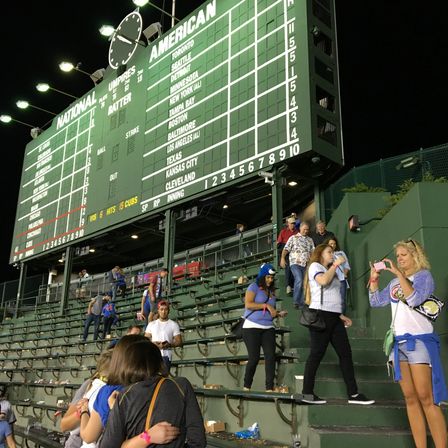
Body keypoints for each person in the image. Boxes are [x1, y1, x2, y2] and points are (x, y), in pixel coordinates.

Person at [368, 239, 447, 446]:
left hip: (419, 342)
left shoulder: (424, 277)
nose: (399, 259)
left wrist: (399, 274)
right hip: (399, 344)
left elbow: (414, 300)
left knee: (426, 398)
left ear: (415, 255)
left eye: (403, 255)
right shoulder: (395, 282)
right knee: (410, 398)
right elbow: (376, 302)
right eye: (398, 256)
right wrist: (374, 280)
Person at [98, 335, 206, 448]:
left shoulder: (124, 396)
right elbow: (198, 441)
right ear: (159, 361)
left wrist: (114, 410)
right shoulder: (181, 385)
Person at [302, 244, 374, 405]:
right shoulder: (315, 266)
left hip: (333, 316)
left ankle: (353, 394)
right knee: (316, 354)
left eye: (333, 252)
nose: (332, 255)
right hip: (321, 316)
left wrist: (340, 315)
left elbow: (331, 295)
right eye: (329, 252)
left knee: (345, 354)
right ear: (320, 253)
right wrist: (335, 265)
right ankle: (307, 393)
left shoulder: (332, 269)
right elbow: (323, 281)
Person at [242, 263, 287, 392]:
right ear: (262, 276)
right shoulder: (253, 287)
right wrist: (266, 306)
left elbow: (270, 310)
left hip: (268, 327)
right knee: (254, 358)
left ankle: (269, 387)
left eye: (272, 278)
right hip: (251, 327)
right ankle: (247, 386)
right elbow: (248, 304)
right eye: (267, 277)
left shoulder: (271, 291)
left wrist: (278, 313)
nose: (270, 280)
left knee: (270, 356)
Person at [61, 350, 113, 448]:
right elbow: (64, 425)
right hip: (77, 441)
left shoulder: (118, 389)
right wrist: (82, 411)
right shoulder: (90, 384)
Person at [280, 222, 314, 309]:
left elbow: (312, 252)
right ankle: (296, 301)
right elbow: (286, 249)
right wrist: (282, 258)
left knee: (305, 283)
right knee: (299, 279)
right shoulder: (293, 238)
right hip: (295, 263)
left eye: (307, 229)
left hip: (306, 264)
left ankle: (302, 303)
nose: (306, 231)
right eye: (304, 229)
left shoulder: (310, 240)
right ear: (300, 229)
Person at [145, 301, 182, 374]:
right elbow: (146, 339)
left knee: (163, 378)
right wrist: (154, 344)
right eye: (161, 309)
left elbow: (179, 341)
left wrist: (169, 344)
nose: (163, 311)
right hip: (153, 355)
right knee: (151, 377)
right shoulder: (152, 324)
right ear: (158, 311)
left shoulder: (174, 324)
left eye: (166, 309)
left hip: (166, 355)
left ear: (168, 311)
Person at [325, 237, 351, 313]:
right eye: (331, 244)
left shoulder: (341, 253)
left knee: (342, 300)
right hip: (330, 280)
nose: (333, 245)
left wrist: (345, 274)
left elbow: (346, 266)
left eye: (334, 243)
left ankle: (342, 319)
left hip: (341, 279)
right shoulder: (324, 254)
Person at [276, 216, 299, 295]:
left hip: (295, 253)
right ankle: (289, 285)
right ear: (288, 224)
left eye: (294, 223)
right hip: (285, 253)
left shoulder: (297, 232)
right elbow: (278, 244)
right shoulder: (283, 232)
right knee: (289, 265)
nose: (293, 225)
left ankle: (291, 285)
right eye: (291, 223)